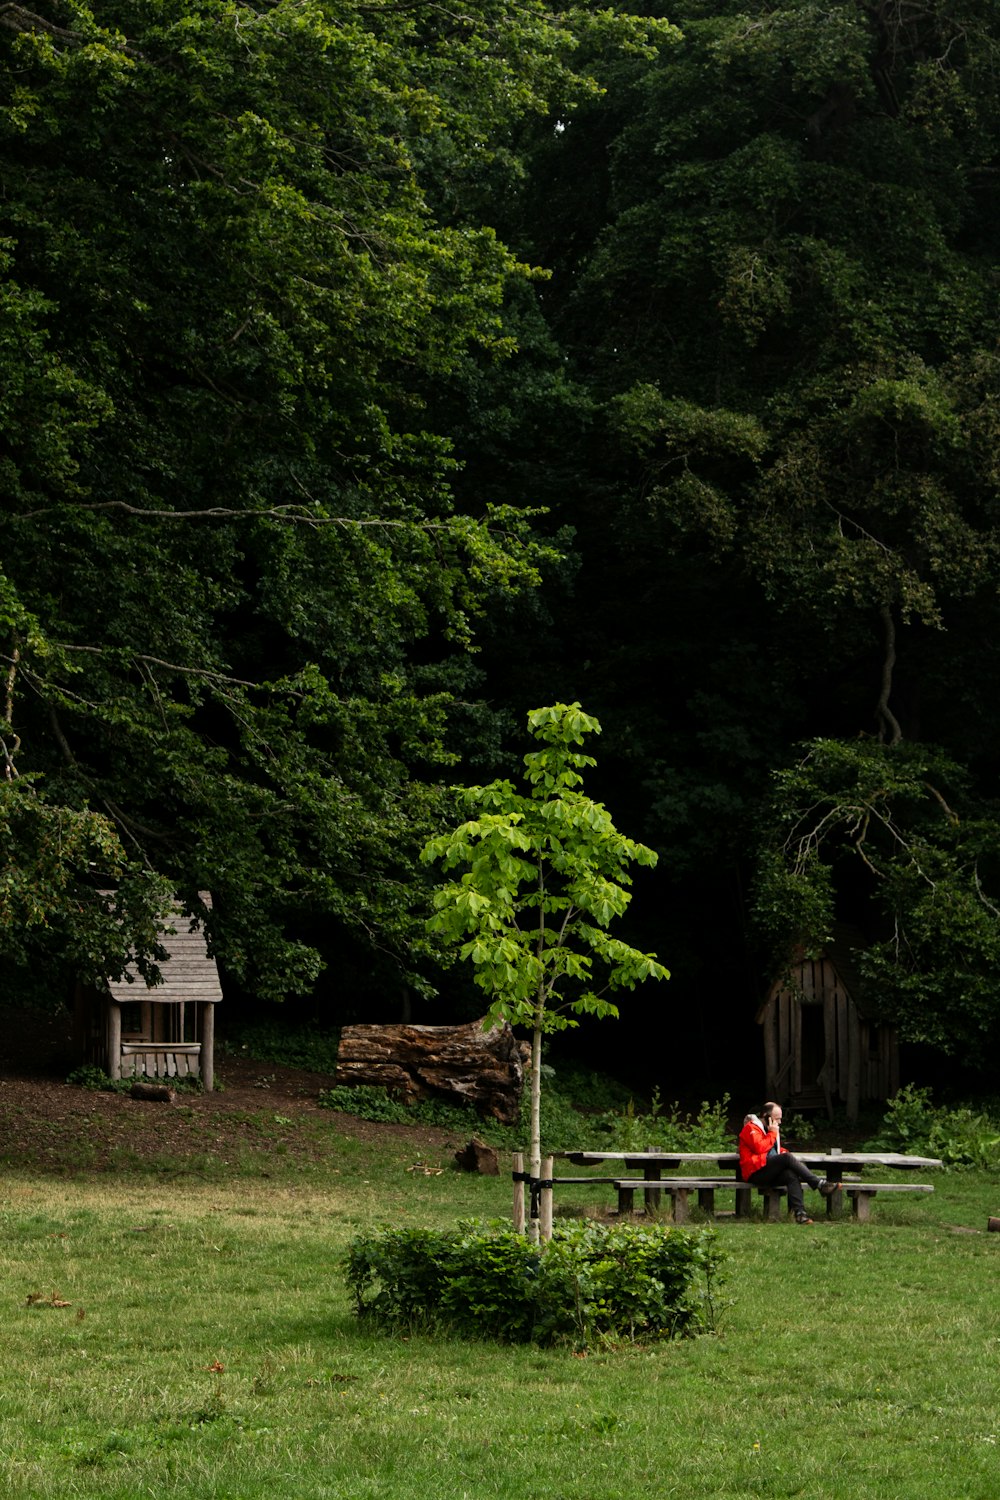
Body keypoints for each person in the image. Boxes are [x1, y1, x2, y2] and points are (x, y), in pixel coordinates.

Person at [738, 1101, 841, 1224]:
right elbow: (759, 1147)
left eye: (780, 1119)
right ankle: (820, 1184)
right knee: (787, 1158)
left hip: (768, 1170)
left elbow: (774, 1150)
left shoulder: (771, 1129)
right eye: (777, 1119)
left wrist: (782, 1151)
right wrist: (772, 1133)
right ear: (765, 1115)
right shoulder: (751, 1128)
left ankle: (800, 1214)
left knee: (791, 1175)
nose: (780, 1122)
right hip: (755, 1173)